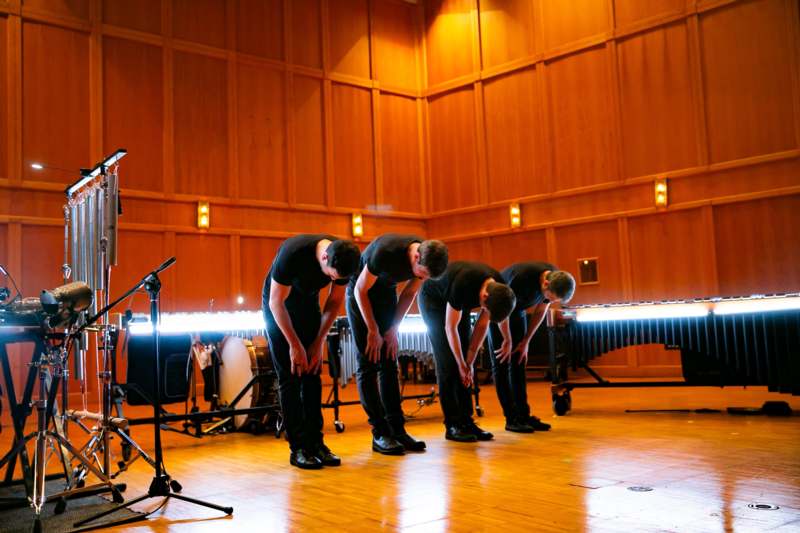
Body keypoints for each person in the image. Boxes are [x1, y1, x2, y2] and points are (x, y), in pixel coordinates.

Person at [262, 234, 360, 469]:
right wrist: (295, 346)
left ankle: (316, 443)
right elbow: (276, 302)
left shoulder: (344, 258)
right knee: (291, 376)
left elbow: (335, 302)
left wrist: (318, 342)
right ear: (325, 258)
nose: (331, 280)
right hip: (278, 310)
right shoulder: (292, 253)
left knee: (312, 374)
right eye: (330, 276)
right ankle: (298, 448)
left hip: (308, 306)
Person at [346, 235, 449, 455]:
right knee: (368, 363)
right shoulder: (386, 252)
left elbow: (409, 292)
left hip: (385, 294)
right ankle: (380, 432)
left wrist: (393, 328)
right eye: (421, 273)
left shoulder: (427, 256)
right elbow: (360, 291)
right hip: (360, 295)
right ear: (416, 256)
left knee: (389, 362)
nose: (420, 277)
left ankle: (397, 429)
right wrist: (372, 330)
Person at [418, 261, 516, 442]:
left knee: (465, 366)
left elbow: (482, 325)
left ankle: (466, 421)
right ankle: (453, 424)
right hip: (433, 302)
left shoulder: (499, 287)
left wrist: (469, 363)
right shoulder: (463, 284)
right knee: (449, 363)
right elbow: (450, 328)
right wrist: (460, 363)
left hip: (457, 305)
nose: (484, 310)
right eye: (485, 307)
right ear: (485, 295)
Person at [488, 263, 575, 433]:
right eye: (551, 298)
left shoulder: (555, 277)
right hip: (497, 312)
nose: (550, 302)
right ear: (545, 284)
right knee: (502, 363)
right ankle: (511, 418)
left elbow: (541, 310)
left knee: (518, 362)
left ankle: (523, 415)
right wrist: (507, 339)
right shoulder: (521, 278)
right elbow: (503, 309)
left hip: (517, 311)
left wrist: (526, 341)